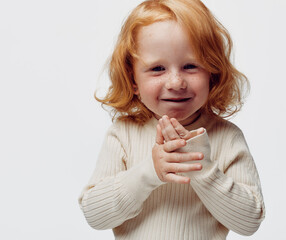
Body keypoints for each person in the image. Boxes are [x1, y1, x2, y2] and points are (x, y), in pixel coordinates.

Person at [78, 0, 265, 239]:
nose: (176, 82)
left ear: (213, 73)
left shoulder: (226, 137)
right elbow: (95, 216)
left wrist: (202, 169)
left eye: (190, 66)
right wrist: (149, 171)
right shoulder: (123, 134)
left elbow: (250, 222)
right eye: (157, 69)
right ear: (133, 80)